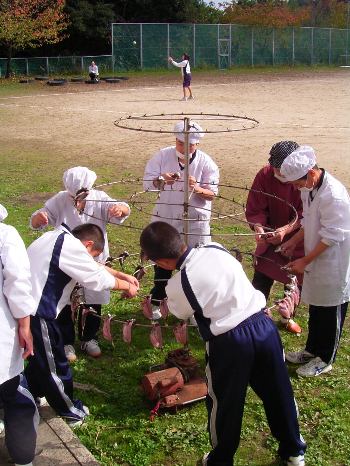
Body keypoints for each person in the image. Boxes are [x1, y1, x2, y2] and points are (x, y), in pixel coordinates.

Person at [140, 221, 306, 466]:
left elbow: (180, 312)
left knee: (225, 403)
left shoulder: (178, 284)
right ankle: (294, 450)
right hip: (264, 328)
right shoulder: (215, 248)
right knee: (278, 391)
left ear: (161, 262)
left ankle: (220, 460)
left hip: (229, 342)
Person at [24, 223, 138, 425]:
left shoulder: (56, 237)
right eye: (92, 254)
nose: (91, 260)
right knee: (55, 365)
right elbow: (95, 277)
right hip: (38, 312)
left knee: (39, 359)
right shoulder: (69, 247)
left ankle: (31, 393)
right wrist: (126, 285)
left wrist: (121, 274)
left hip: (28, 309)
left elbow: (91, 266)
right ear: (88, 244)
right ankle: (69, 410)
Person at [30, 166, 130, 361]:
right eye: (74, 197)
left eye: (83, 195)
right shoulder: (60, 199)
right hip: (67, 259)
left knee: (94, 298)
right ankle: (67, 341)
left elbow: (123, 207)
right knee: (66, 300)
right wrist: (38, 219)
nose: (78, 200)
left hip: (93, 254)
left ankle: (89, 337)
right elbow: (40, 217)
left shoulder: (99, 197)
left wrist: (121, 209)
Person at [279, 145, 350, 377]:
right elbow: (308, 220)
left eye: (297, 183)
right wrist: (293, 241)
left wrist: (305, 261)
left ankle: (326, 358)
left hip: (333, 261)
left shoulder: (334, 195)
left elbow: (333, 235)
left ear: (311, 172)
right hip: (315, 257)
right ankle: (312, 350)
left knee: (331, 308)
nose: (295, 188)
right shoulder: (308, 188)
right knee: (317, 307)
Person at [143, 120, 219, 318]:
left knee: (195, 264)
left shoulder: (206, 162)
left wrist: (198, 187)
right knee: (164, 260)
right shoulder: (162, 155)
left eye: (190, 144)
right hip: (167, 215)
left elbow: (212, 194)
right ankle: (158, 301)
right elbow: (148, 182)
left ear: (197, 144)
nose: (184, 148)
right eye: (180, 143)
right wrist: (162, 179)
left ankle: (194, 308)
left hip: (195, 220)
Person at [245, 141, 304, 334]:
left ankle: (287, 317)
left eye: (282, 169)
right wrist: (259, 227)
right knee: (262, 275)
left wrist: (286, 232)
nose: (278, 172)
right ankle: (256, 315)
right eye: (276, 167)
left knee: (293, 280)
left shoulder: (303, 180)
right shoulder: (265, 174)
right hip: (271, 236)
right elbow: (256, 206)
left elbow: (306, 215)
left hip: (298, 238)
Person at [0, 203, 38, 466]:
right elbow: (18, 283)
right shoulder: (5, 235)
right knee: (15, 399)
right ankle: (23, 459)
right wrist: (25, 326)